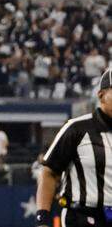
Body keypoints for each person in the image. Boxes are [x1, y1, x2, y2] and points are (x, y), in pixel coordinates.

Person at [36, 68, 112, 227]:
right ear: (101, 95)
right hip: (81, 217)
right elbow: (49, 172)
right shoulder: (77, 129)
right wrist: (42, 219)